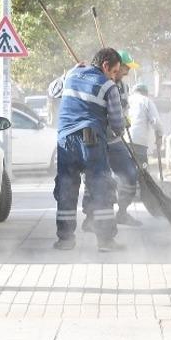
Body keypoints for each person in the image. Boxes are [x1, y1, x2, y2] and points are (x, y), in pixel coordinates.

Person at [53, 47, 126, 253]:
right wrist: (119, 131)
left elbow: (52, 91)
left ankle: (65, 240)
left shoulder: (71, 75)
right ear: (105, 66)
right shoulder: (108, 86)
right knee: (100, 187)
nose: (114, 76)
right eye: (114, 71)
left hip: (65, 139)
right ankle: (105, 241)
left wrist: (68, 71)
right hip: (90, 140)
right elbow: (116, 122)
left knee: (66, 188)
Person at [82, 49, 141, 230]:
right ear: (116, 66)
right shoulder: (98, 82)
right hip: (96, 139)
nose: (127, 72)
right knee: (97, 179)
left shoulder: (123, 86)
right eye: (125, 68)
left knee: (131, 174)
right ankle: (90, 217)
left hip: (116, 140)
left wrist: (125, 120)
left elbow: (123, 109)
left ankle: (122, 212)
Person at [128, 83, 163, 169]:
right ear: (146, 93)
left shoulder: (127, 100)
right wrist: (160, 135)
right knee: (142, 171)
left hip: (123, 140)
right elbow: (156, 122)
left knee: (127, 171)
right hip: (139, 142)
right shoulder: (146, 101)